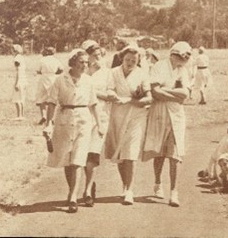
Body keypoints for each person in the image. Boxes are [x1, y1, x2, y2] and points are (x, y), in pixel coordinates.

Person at [43, 49, 102, 213]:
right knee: (67, 160)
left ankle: (73, 196)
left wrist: (99, 124)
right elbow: (51, 102)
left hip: (83, 120)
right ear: (73, 63)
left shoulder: (88, 81)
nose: (85, 65)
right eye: (81, 62)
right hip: (64, 119)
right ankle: (73, 192)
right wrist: (48, 124)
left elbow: (94, 103)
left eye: (86, 62)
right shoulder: (60, 80)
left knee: (78, 159)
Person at [142, 41, 192, 207]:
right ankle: (157, 183)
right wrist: (174, 96)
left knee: (174, 154)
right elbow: (155, 92)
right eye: (180, 57)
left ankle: (174, 192)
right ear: (173, 55)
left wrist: (166, 91)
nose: (182, 61)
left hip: (176, 115)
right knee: (160, 152)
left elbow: (185, 94)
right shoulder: (159, 67)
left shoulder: (183, 70)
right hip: (159, 113)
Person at [103, 44, 152, 205]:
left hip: (136, 116)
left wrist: (132, 100)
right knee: (120, 153)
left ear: (138, 61)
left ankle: (130, 190)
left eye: (134, 60)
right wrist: (112, 95)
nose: (130, 62)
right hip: (117, 115)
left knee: (130, 152)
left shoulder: (142, 74)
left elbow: (149, 98)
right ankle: (124, 186)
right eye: (127, 59)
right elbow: (109, 90)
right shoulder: (113, 72)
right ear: (122, 59)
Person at [81, 40, 111, 206]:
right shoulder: (81, 72)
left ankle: (87, 190)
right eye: (94, 56)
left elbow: (110, 92)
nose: (97, 59)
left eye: (99, 55)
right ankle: (86, 184)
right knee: (81, 155)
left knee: (93, 154)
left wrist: (97, 94)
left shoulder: (107, 73)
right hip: (82, 116)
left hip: (100, 116)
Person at [200, 119, 228, 184]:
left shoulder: (226, 137)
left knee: (214, 174)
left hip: (214, 163)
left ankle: (207, 172)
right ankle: (209, 174)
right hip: (220, 166)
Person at [35, 47, 62, 124]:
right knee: (52, 98)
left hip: (44, 79)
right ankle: (52, 117)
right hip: (53, 78)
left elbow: (38, 70)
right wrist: (55, 72)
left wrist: (43, 72)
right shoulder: (56, 60)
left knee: (41, 98)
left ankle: (43, 116)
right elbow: (61, 69)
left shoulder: (42, 60)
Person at [12, 43, 27, 119]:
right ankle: (22, 115)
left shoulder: (17, 58)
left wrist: (16, 82)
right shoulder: (22, 57)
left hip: (19, 79)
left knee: (17, 98)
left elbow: (18, 71)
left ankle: (19, 115)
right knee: (22, 98)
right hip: (24, 79)